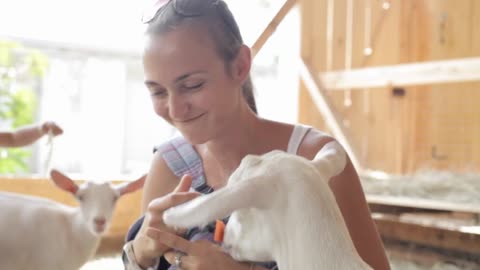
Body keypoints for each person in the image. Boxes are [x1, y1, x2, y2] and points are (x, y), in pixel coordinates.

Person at [122, 0, 391, 269]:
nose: (175, 109)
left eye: (193, 85)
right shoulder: (169, 165)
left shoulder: (314, 163)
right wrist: (141, 253)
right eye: (157, 91)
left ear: (240, 65)